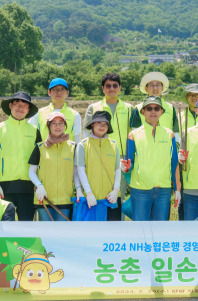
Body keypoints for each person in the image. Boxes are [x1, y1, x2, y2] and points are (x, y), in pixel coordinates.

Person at [120, 96, 179, 221]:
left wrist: (177, 188)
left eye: (156, 108)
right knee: (140, 229)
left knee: (160, 229)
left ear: (161, 112)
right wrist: (125, 167)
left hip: (164, 189)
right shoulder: (133, 135)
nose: (153, 111)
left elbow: (174, 162)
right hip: (140, 189)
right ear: (143, 112)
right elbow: (128, 165)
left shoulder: (170, 134)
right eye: (149, 108)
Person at [84, 73, 132, 220]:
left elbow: (134, 134)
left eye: (115, 85)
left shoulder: (130, 108)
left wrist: (130, 158)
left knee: (118, 196)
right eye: (108, 86)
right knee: (96, 194)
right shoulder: (93, 107)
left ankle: (118, 231)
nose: (112, 89)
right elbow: (86, 134)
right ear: (102, 88)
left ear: (120, 88)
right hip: (98, 157)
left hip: (122, 158)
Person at [0, 91, 42, 221]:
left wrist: (39, 183)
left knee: (26, 226)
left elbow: (40, 159)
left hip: (28, 186)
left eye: (24, 105)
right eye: (17, 103)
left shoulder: (34, 131)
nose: (20, 107)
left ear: (28, 110)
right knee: (5, 225)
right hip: (5, 186)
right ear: (10, 106)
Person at [28, 112, 78, 221]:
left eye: (61, 123)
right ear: (48, 126)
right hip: (44, 198)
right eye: (54, 123)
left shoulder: (73, 147)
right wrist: (39, 186)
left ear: (65, 126)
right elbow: (31, 171)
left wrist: (78, 189)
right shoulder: (40, 147)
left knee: (62, 234)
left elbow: (75, 172)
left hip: (65, 198)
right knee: (45, 233)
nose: (57, 126)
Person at [76, 111, 122, 220]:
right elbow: (80, 170)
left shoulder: (113, 145)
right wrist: (88, 192)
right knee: (91, 234)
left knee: (112, 233)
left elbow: (117, 169)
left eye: (105, 124)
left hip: (110, 198)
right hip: (91, 199)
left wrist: (116, 190)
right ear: (92, 124)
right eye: (99, 123)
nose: (102, 126)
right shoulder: (83, 145)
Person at [29, 78, 82, 144]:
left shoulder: (75, 115)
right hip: (44, 153)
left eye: (62, 89)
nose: (59, 92)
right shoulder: (39, 113)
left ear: (67, 93)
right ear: (49, 92)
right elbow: (29, 135)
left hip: (67, 154)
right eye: (55, 89)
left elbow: (77, 139)